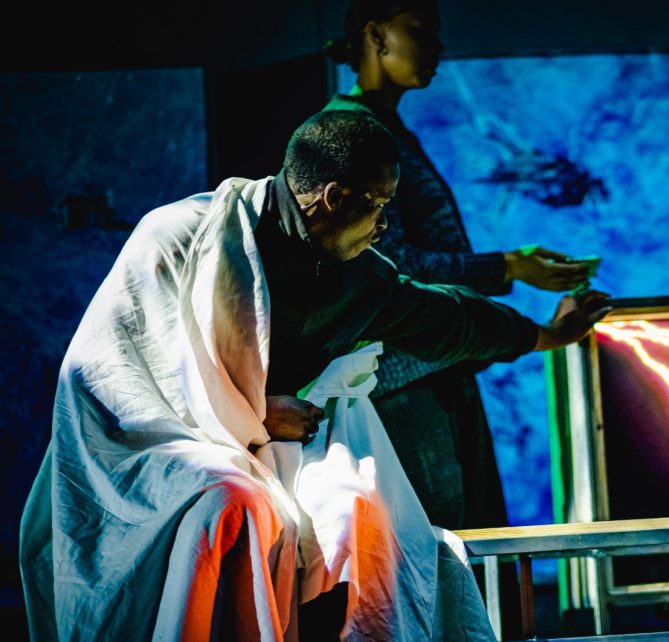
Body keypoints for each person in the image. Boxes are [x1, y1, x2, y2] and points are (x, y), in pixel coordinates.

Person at [19, 109, 609, 641]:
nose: (384, 224)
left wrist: (545, 335)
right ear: (332, 197)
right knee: (232, 508)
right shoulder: (182, 236)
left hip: (274, 449)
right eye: (377, 204)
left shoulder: (357, 277)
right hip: (151, 452)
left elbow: (444, 317)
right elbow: (111, 381)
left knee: (356, 509)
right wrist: (251, 415)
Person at [322, 0, 594, 532]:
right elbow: (386, 264)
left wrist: (507, 271)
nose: (438, 48)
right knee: (443, 548)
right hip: (403, 385)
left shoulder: (384, 128)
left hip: (435, 370)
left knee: (469, 546)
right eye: (421, 31)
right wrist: (506, 268)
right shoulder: (350, 131)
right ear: (376, 36)